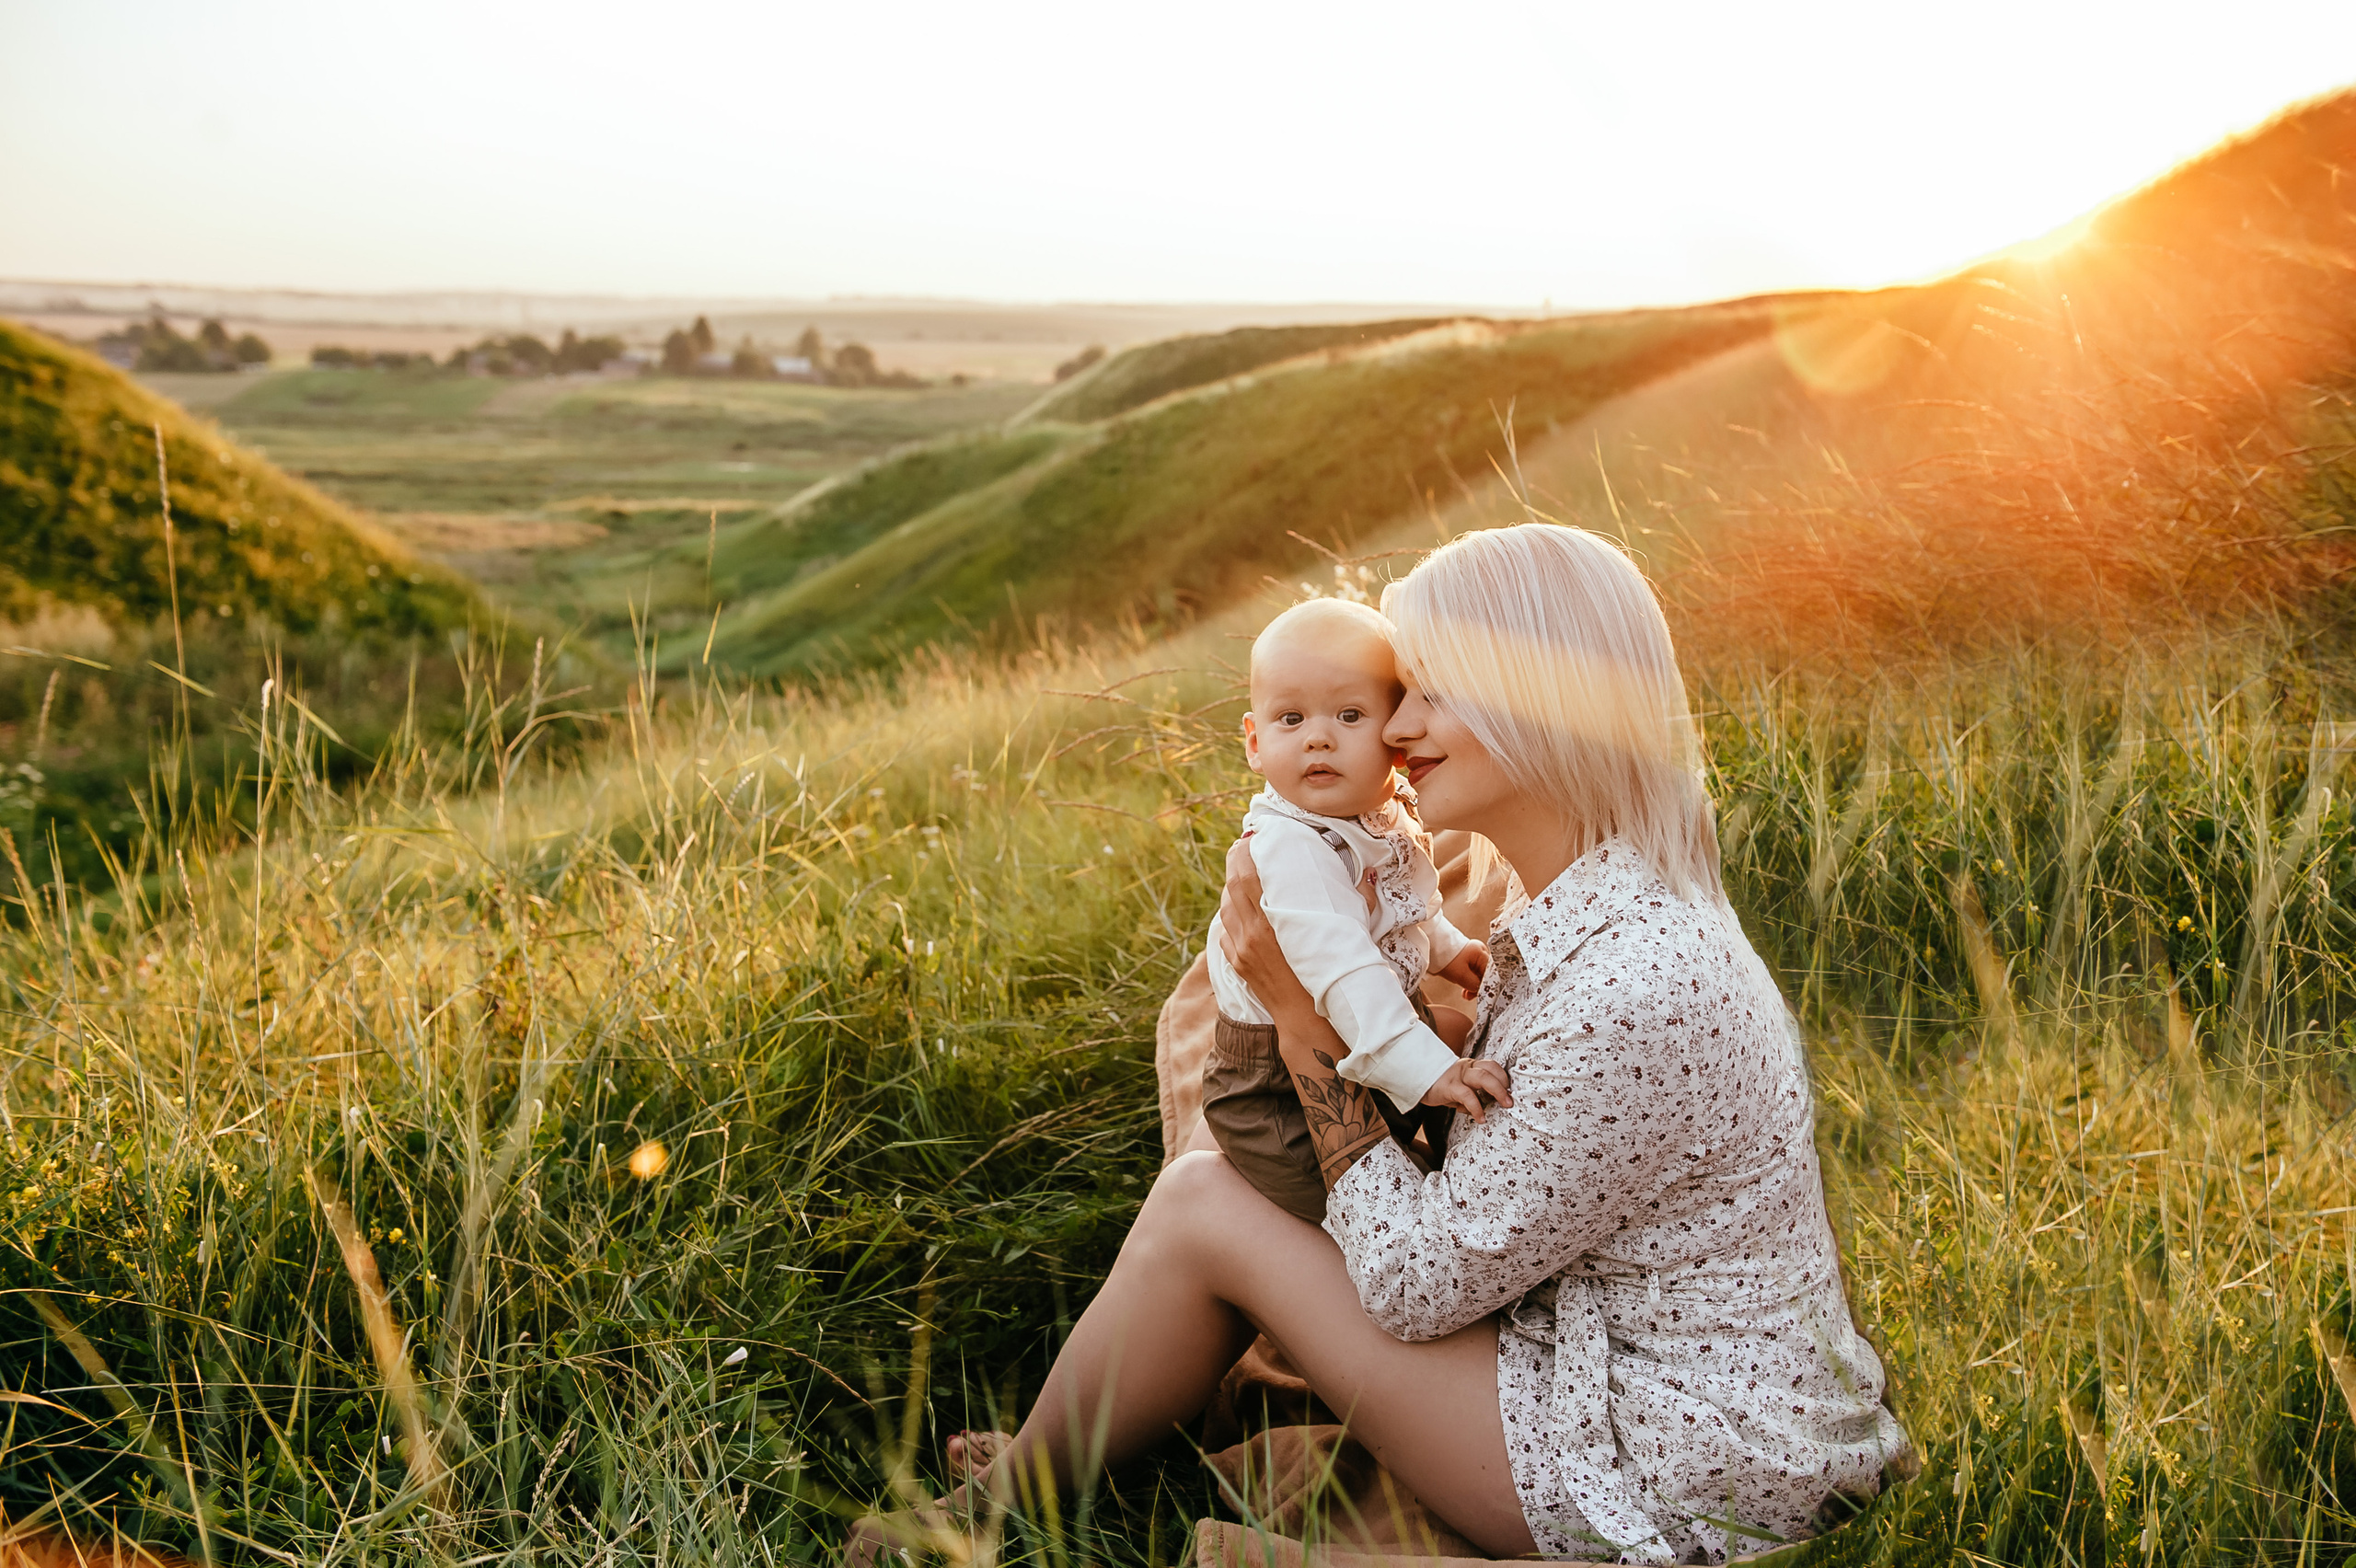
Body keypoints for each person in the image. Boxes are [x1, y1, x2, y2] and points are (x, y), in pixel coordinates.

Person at [849, 525, 1908, 1565]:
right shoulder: (1607, 908)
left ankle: (995, 1512)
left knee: (1203, 1203)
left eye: (1427, 691)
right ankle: (1045, 1463)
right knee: (1220, 1193)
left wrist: (1307, 1031)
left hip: (1665, 1468)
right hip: (1647, 1382)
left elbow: (1414, 1286)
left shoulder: (1639, 982)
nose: (1393, 728)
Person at [1199, 596, 1497, 1223]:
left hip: (1369, 1018)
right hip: (1278, 1089)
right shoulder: (1292, 847)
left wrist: (1445, 950)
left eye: (1350, 714)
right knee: (1351, 1208)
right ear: (1254, 742)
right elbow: (1345, 970)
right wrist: (1432, 1073)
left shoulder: (1377, 817)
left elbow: (1400, 903)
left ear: (1394, 738)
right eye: (1290, 718)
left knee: (1452, 1032)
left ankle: (1452, 1158)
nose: (1317, 736)